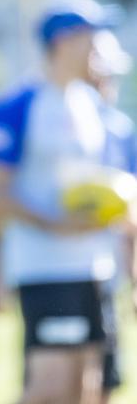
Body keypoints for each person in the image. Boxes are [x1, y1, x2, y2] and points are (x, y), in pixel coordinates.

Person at [0, 0, 134, 404]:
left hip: (95, 269)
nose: (100, 46)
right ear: (64, 41)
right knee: (50, 390)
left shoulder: (91, 105)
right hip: (45, 271)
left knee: (89, 387)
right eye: (92, 35)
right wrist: (56, 225)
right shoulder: (20, 104)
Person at [84, 29, 136, 404]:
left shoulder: (121, 130)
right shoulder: (58, 120)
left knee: (105, 379)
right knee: (58, 380)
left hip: (110, 269)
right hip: (66, 268)